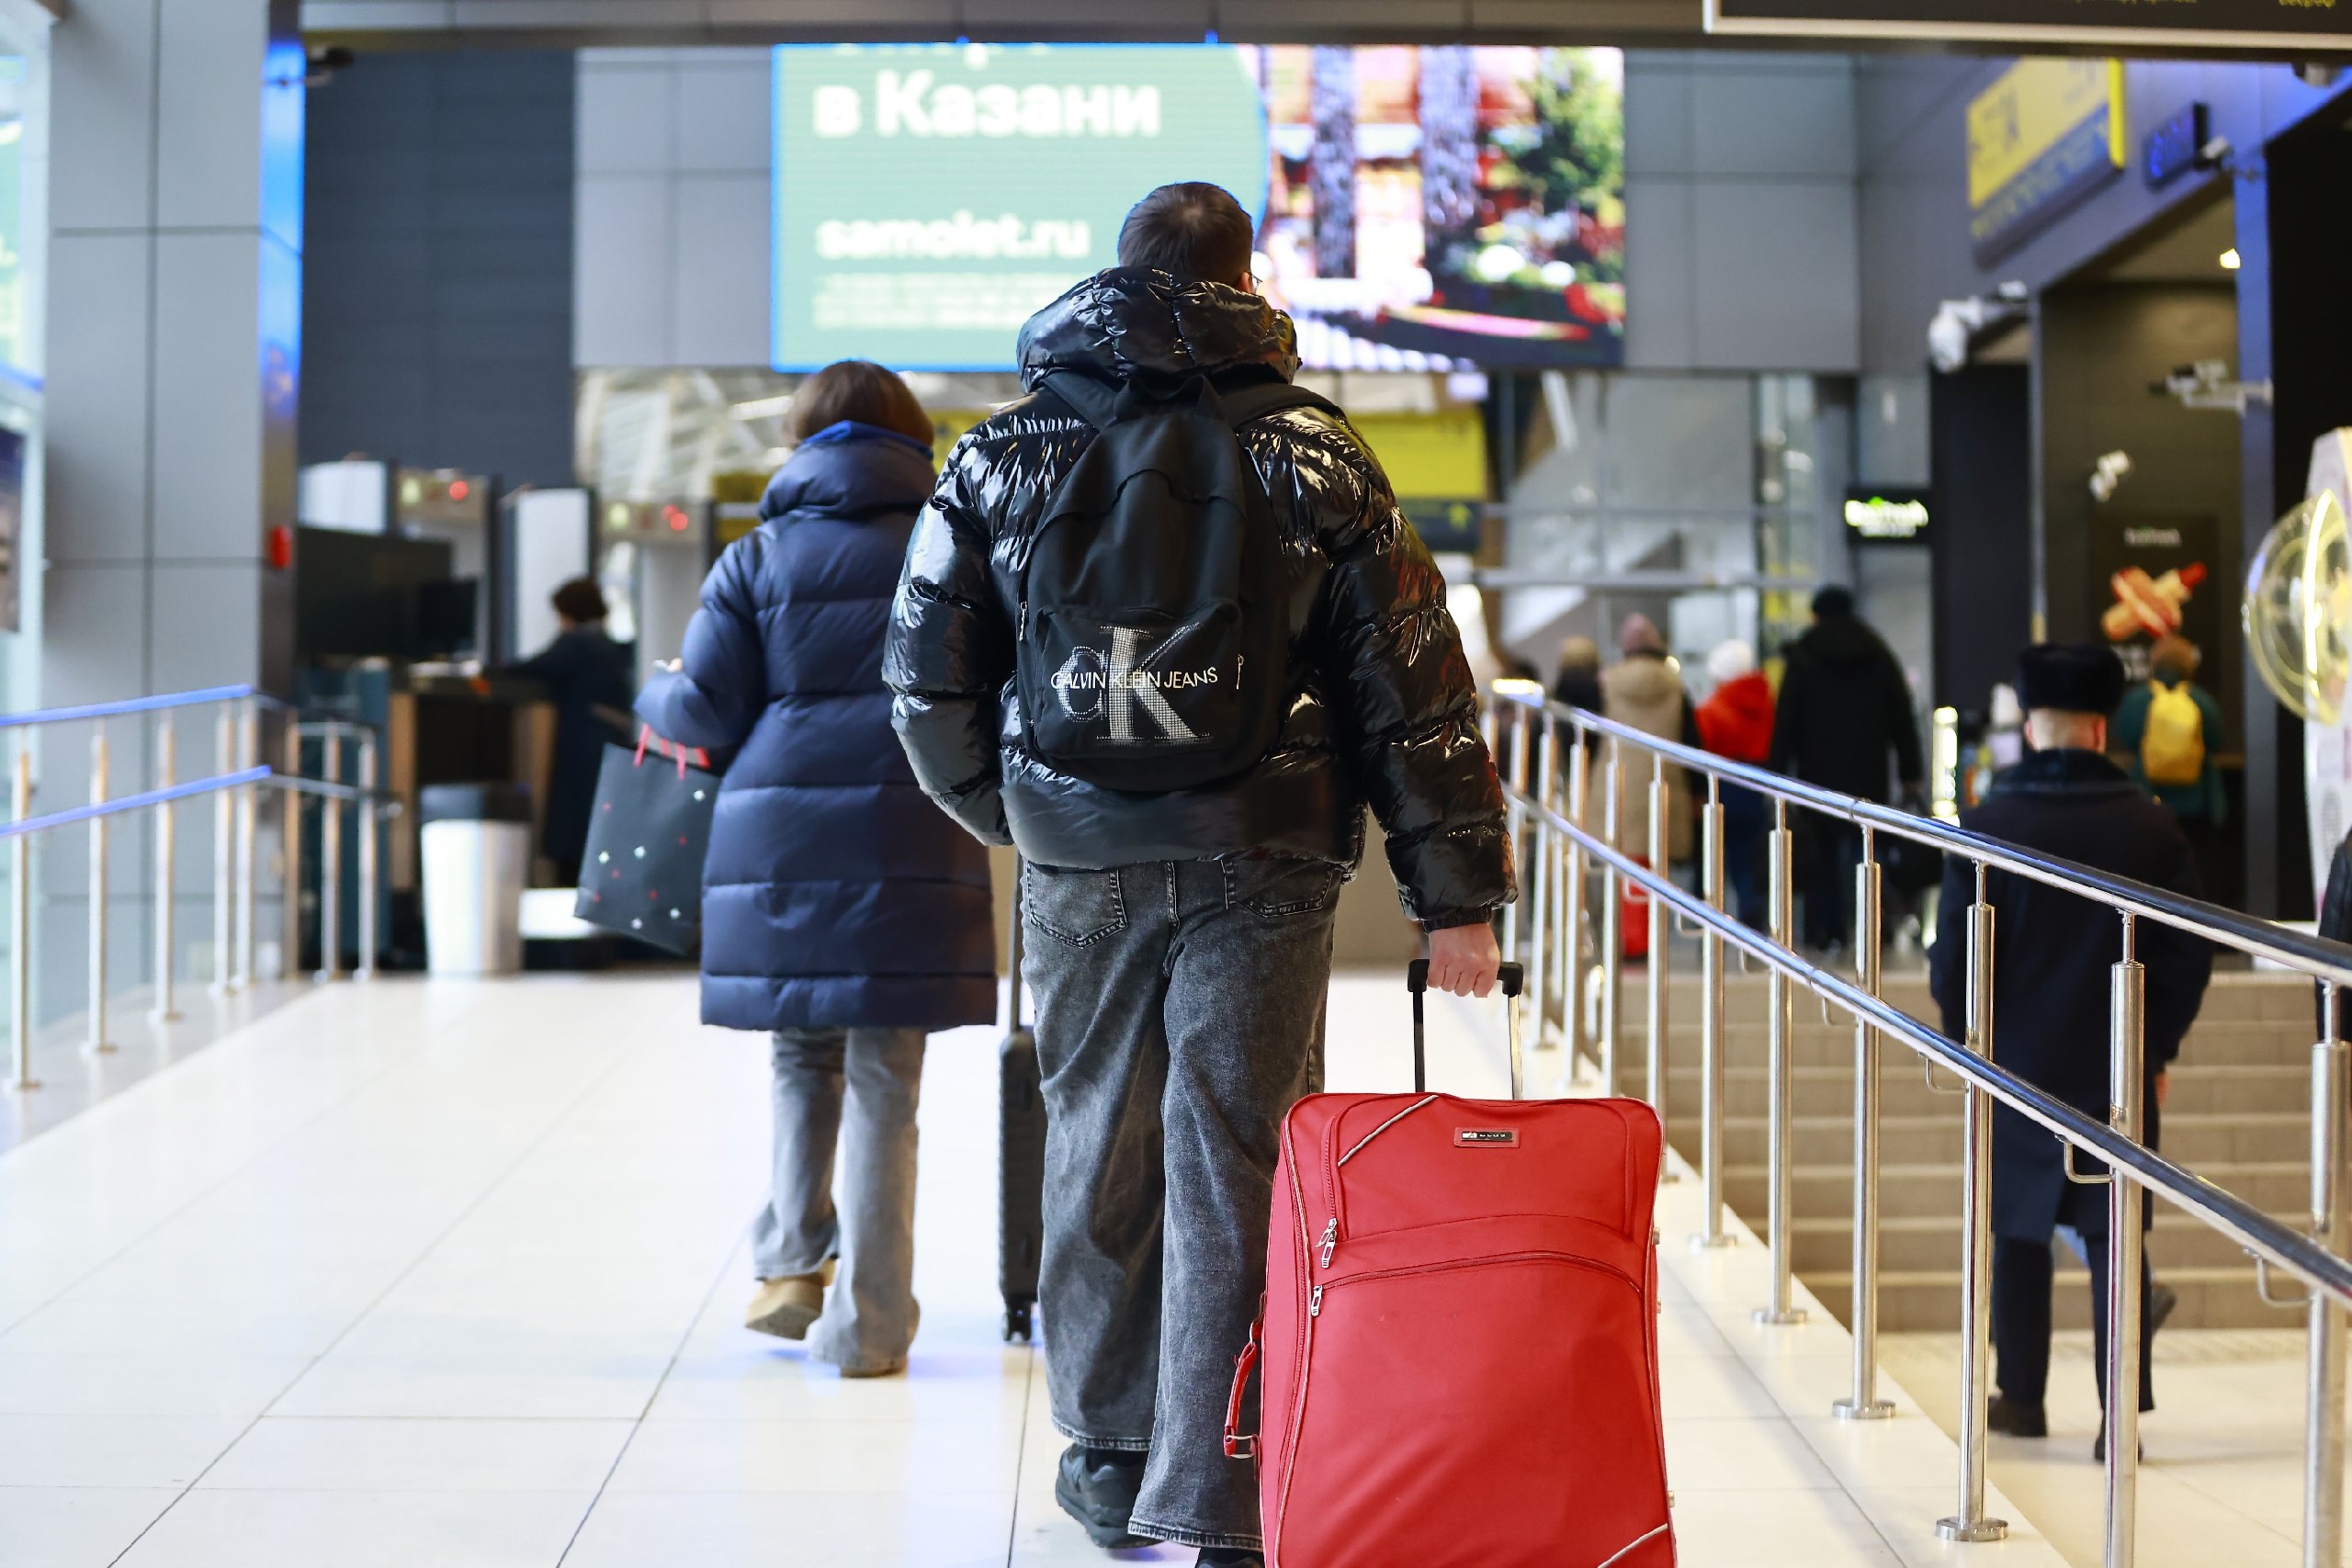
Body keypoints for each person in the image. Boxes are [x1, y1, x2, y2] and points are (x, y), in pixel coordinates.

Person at [884, 182, 1511, 1565]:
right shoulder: (1318, 451)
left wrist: (1027, 811)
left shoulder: (1003, 452)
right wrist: (1455, 895)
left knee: (1095, 1136)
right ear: (1248, 279)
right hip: (1263, 852)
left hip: (1080, 862)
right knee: (1238, 1150)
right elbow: (1411, 680)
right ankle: (1225, 1473)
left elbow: (924, 676)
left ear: (1114, 274)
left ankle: (1110, 1457)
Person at [637, 361, 996, 1379]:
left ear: (799, 441)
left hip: (783, 833)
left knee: (802, 1054)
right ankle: (871, 1325)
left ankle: (793, 1264)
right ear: (915, 441)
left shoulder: (757, 556)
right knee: (886, 1077)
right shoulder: (952, 546)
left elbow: (705, 711)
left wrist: (655, 691)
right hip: (915, 823)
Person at [1928, 643, 2211, 1458]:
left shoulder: (1989, 825)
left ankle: (2021, 1396)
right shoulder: (2152, 828)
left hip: (2014, 1059)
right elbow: (2189, 955)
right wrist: (2156, 1045)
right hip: (2115, 1060)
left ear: (2030, 727)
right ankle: (2119, 1416)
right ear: (2099, 728)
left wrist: (1969, 1038)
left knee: (2016, 1227)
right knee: (2115, 1232)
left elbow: (1955, 959)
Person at [1768, 585, 1923, 953]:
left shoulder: (1803, 657)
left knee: (1821, 854)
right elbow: (1901, 717)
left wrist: (1777, 771)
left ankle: (1826, 929)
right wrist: (1910, 771)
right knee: (1866, 849)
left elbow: (1786, 720)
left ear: (1816, 615)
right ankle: (1874, 925)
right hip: (1868, 772)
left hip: (1816, 775)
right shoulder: (1878, 654)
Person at [503, 577, 636, 886]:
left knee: (574, 826)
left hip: (584, 745)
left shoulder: (579, 642)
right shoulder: (610, 646)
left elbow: (533, 668)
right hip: (610, 744)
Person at [2109, 634, 2229, 891]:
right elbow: (2217, 740)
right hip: (2196, 804)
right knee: (2195, 874)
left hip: (2147, 797)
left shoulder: (2137, 701)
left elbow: (2125, 735)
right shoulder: (2201, 701)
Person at [1599, 614, 1696, 865]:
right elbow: (1691, 738)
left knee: (1622, 863)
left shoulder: (1608, 683)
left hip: (1617, 784)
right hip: (1664, 783)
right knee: (1657, 866)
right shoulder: (1675, 685)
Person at [1693, 638, 1774, 928]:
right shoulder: (1767, 703)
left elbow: (1702, 748)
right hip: (1756, 786)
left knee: (1712, 861)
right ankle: (1752, 917)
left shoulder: (1712, 708)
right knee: (1748, 861)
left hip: (1721, 788)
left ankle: (1707, 922)